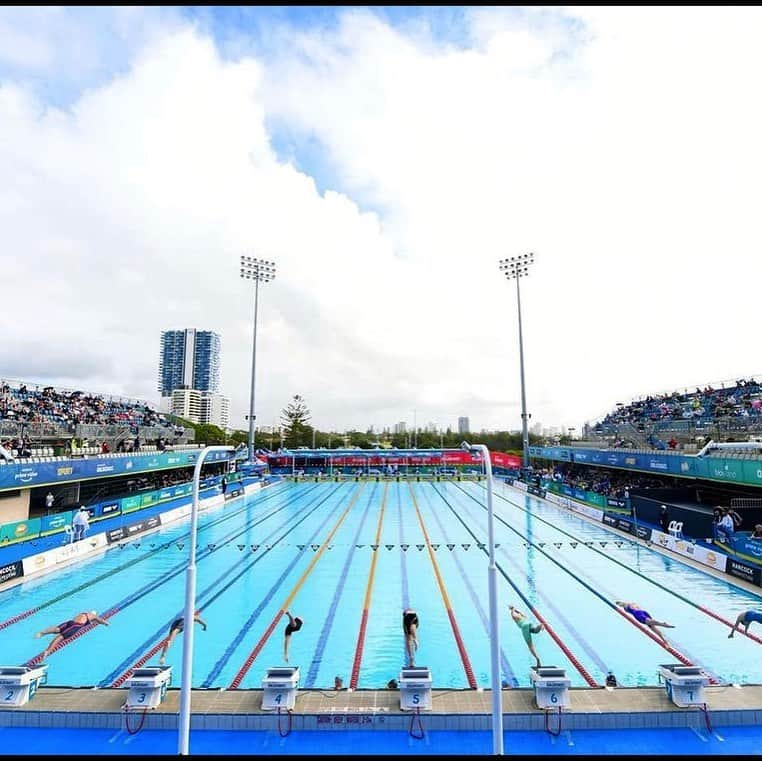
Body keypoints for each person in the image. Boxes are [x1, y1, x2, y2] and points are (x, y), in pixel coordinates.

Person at [35, 611, 109, 659]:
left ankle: (42, 633)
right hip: (76, 626)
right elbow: (100, 620)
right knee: (60, 637)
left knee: (57, 629)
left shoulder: (84, 613)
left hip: (70, 622)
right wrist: (106, 623)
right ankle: (48, 651)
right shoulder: (93, 616)